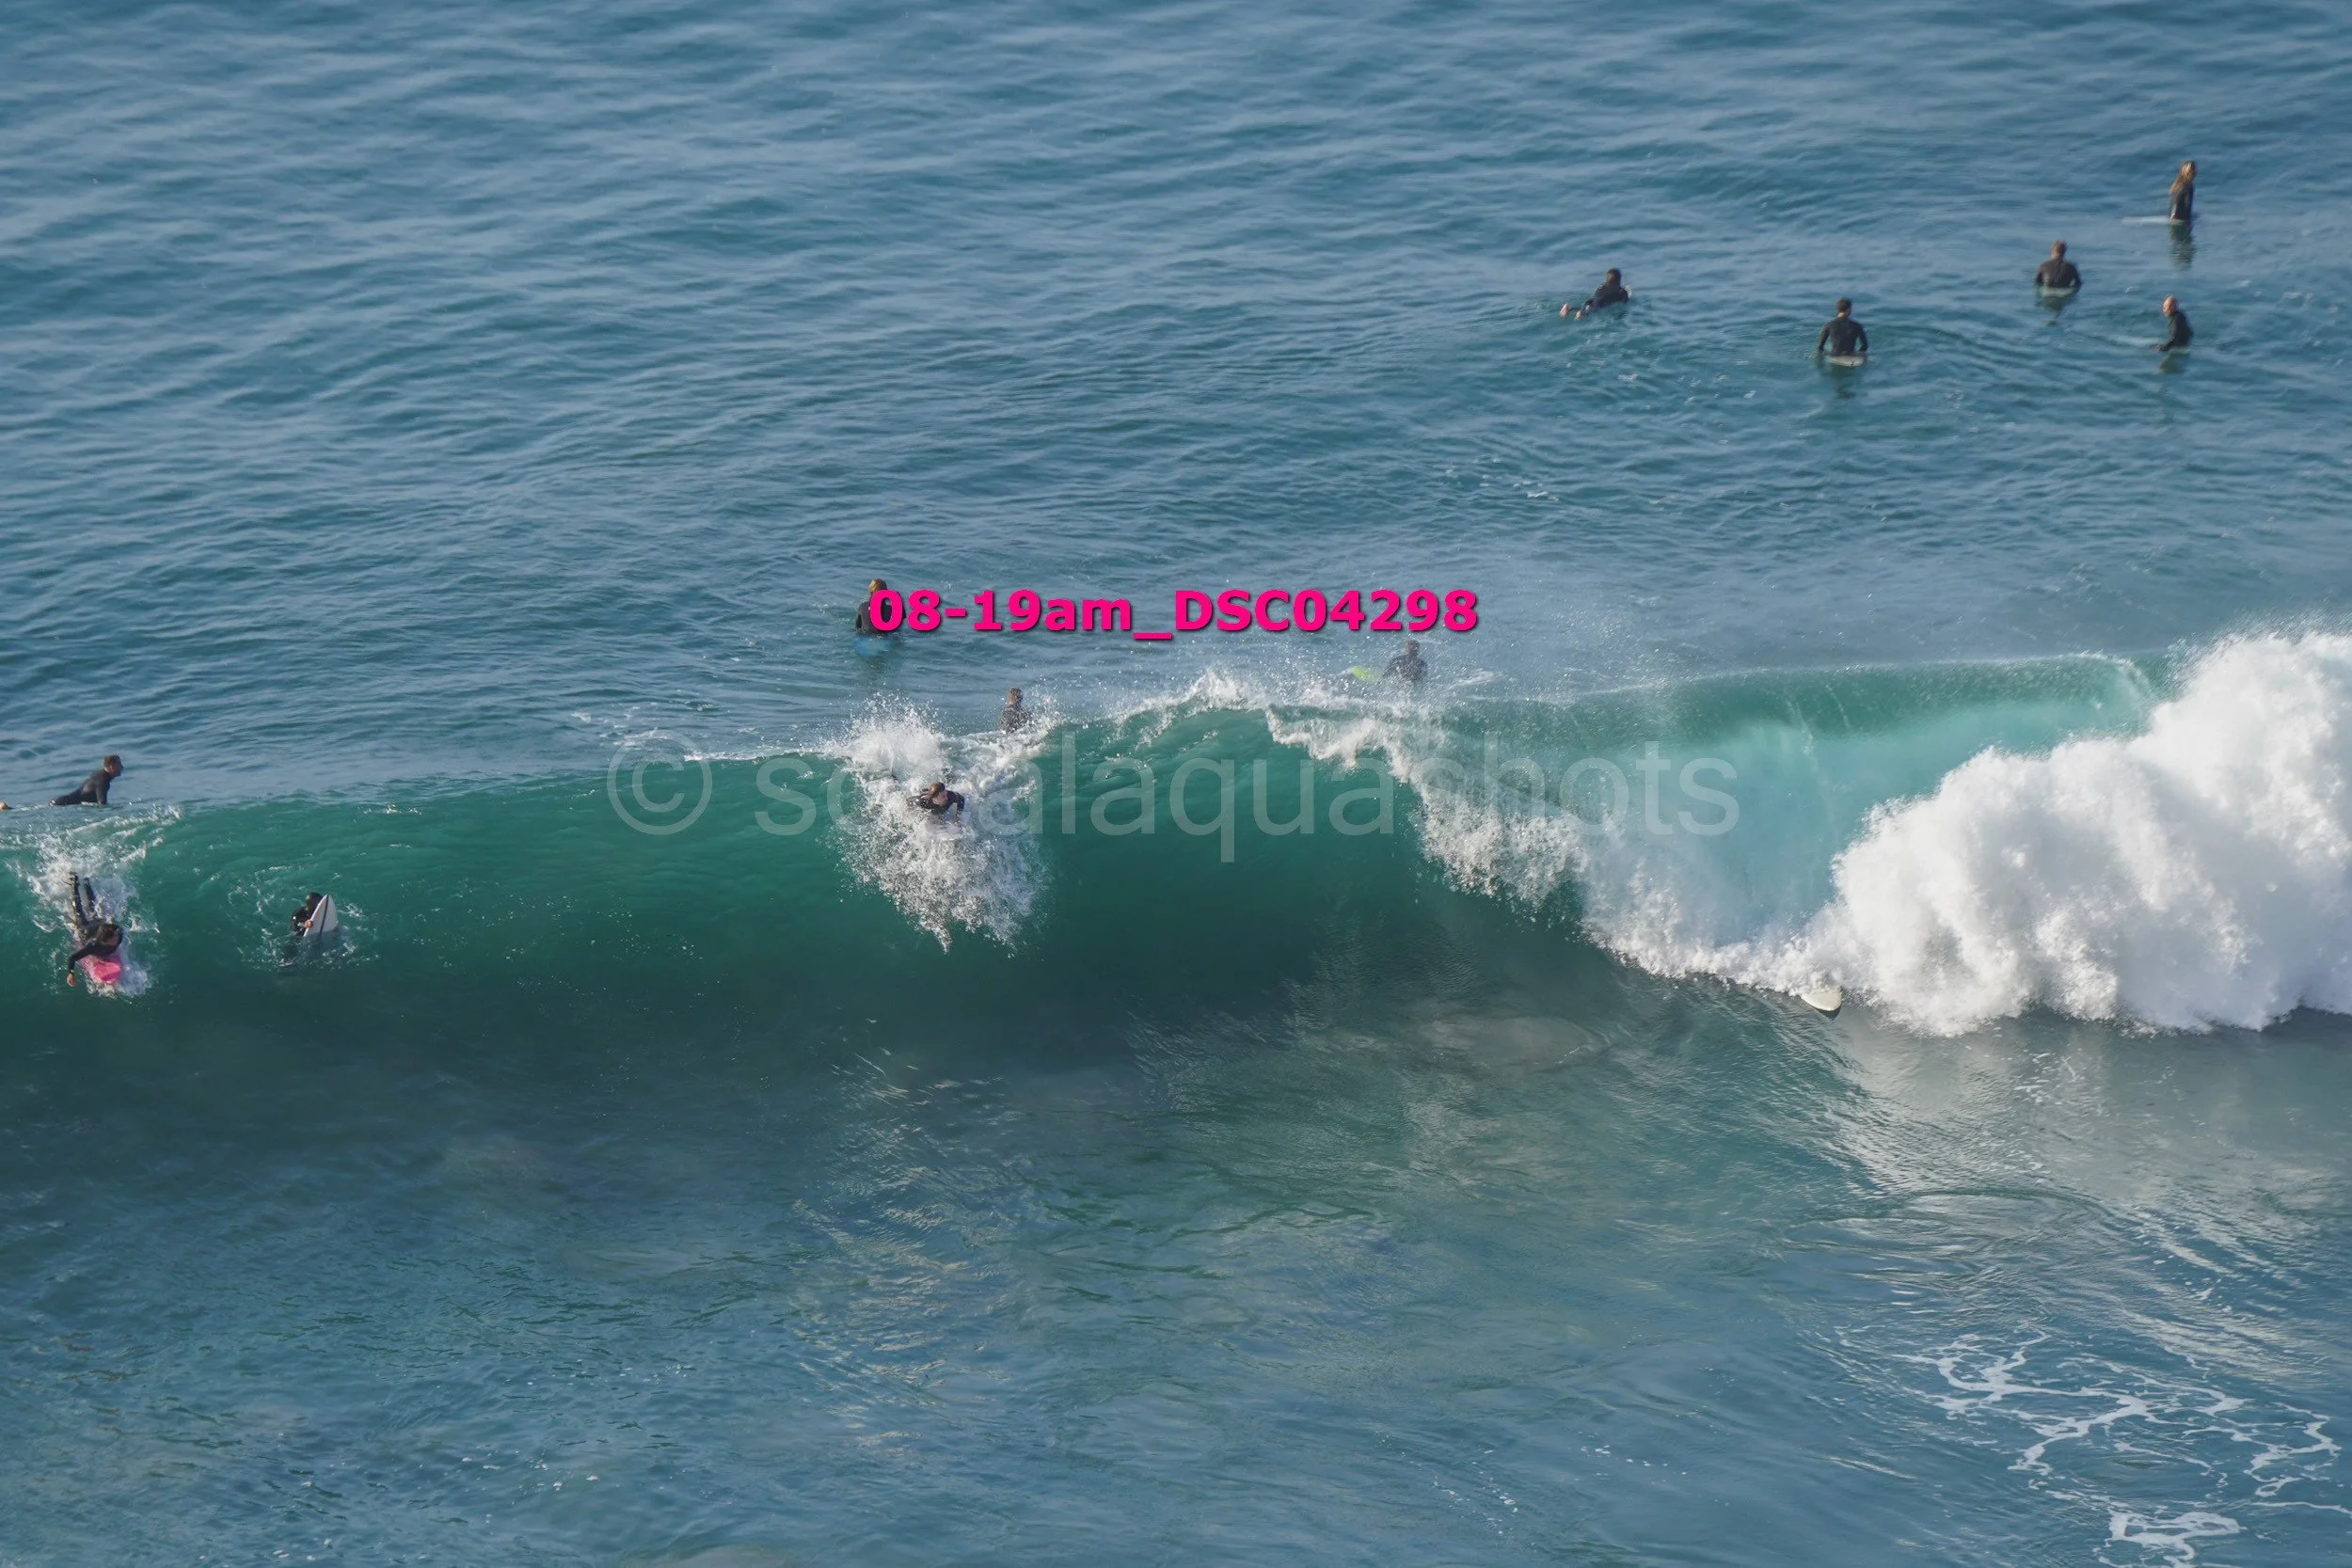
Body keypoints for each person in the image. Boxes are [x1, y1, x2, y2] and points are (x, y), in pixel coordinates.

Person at [63, 874, 125, 988]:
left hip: (98, 925)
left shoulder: (118, 933)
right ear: (106, 941)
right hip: (85, 931)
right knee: (78, 911)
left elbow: (115, 931)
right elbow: (72, 958)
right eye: (115, 938)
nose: (118, 937)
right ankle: (74, 884)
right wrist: (71, 973)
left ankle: (86, 882)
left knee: (92, 907)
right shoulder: (92, 946)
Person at [52, 755, 123, 807]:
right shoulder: (103, 781)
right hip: (62, 804)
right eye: (119, 764)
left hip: (59, 802)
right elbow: (102, 804)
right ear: (112, 767)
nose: (122, 767)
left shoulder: (99, 775)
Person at [1561, 268, 1630, 319]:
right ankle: (1581, 313)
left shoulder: (1601, 285)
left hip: (1591, 300)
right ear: (1619, 279)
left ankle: (1569, 309)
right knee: (1591, 312)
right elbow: (1625, 302)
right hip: (1601, 303)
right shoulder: (1621, 290)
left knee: (1585, 308)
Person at [2169, 160, 2197, 225]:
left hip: (2178, 219)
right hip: (2180, 221)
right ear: (2187, 172)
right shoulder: (2186, 186)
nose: (2196, 172)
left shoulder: (2177, 184)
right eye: (2193, 170)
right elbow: (2176, 203)